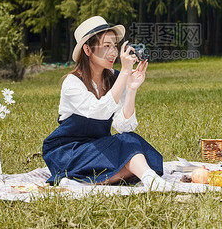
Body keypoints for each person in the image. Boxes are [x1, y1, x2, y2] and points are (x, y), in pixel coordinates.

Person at [42, 16, 170, 190]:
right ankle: (151, 180)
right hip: (68, 152)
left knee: (136, 145)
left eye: (114, 46)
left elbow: (124, 127)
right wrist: (125, 72)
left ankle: (82, 184)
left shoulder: (115, 78)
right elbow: (98, 111)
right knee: (130, 154)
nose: (113, 53)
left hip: (99, 147)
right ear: (87, 50)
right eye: (106, 46)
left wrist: (131, 88)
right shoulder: (72, 82)